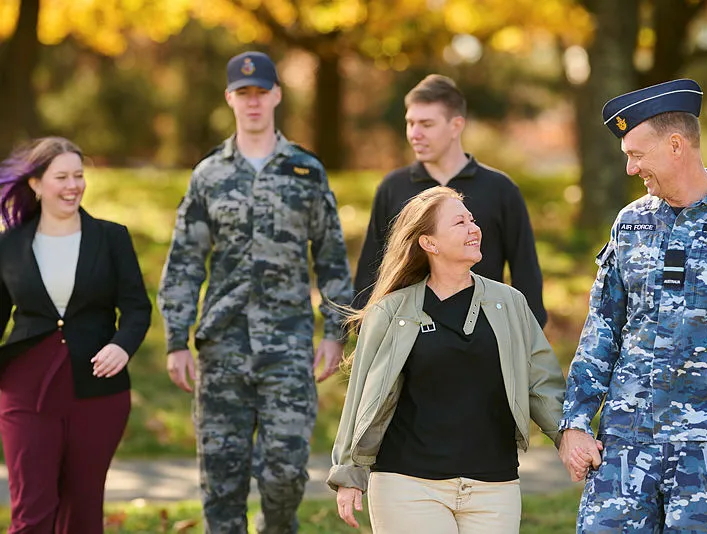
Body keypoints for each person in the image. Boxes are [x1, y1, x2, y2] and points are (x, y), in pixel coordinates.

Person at [559, 79, 707, 533]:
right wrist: (575, 421)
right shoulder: (630, 222)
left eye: (636, 154)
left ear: (675, 145)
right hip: (625, 433)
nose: (630, 169)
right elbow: (602, 327)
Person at [157, 50, 353, 534]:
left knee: (285, 474)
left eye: (261, 92)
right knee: (221, 482)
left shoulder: (305, 172)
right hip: (221, 348)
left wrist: (334, 334)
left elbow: (329, 258)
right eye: (243, 94)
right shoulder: (209, 176)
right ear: (229, 98)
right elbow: (184, 261)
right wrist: (176, 339)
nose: (253, 102)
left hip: (287, 349)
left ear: (277, 96)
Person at [328, 186, 566, 533]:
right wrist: (349, 471)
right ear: (429, 243)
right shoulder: (390, 312)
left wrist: (569, 438)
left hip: (493, 486)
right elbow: (362, 397)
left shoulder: (510, 304)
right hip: (408, 485)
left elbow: (543, 383)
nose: (474, 228)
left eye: (472, 220)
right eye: (459, 222)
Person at [0, 137, 151, 533]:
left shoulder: (111, 237)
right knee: (32, 511)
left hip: (98, 391)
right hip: (26, 389)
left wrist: (122, 345)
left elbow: (137, 308)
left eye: (79, 176)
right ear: (35, 183)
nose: (73, 185)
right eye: (62, 176)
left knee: (82, 511)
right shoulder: (9, 246)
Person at [352, 74, 547, 327]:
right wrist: (364, 329)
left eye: (426, 124)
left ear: (456, 125)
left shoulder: (500, 189)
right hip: (408, 337)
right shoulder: (393, 187)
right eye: (410, 123)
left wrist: (528, 337)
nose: (415, 134)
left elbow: (526, 272)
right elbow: (372, 267)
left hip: (483, 336)